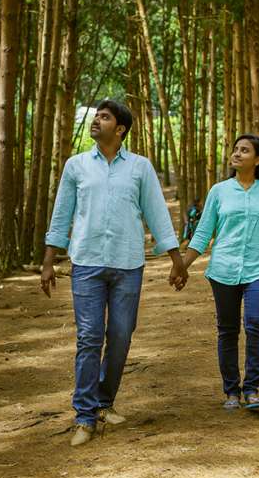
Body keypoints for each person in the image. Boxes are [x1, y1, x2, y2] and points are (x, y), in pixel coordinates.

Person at [41, 99, 188, 446]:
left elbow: (157, 213)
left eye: (104, 117)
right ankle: (85, 416)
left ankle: (105, 401)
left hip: (127, 264)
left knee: (121, 336)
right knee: (90, 337)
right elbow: (61, 215)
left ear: (120, 129)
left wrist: (176, 259)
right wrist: (49, 260)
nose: (96, 121)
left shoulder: (140, 168)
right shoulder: (76, 166)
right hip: (87, 264)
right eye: (95, 116)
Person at [181, 134, 259, 411]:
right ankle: (231, 392)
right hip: (223, 269)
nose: (237, 154)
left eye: (245, 150)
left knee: (255, 324)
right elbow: (203, 232)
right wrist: (183, 265)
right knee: (227, 331)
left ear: (258, 159)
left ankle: (251, 390)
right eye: (236, 149)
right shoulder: (219, 191)